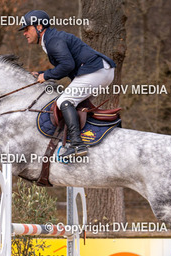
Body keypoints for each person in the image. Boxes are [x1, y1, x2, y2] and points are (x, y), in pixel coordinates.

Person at [19, 10, 116, 159]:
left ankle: (77, 145)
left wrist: (46, 75)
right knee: (74, 103)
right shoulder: (51, 39)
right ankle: (87, 136)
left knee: (64, 101)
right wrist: (41, 73)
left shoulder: (52, 40)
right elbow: (66, 66)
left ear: (39, 27)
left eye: (27, 29)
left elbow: (67, 65)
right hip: (100, 70)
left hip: (96, 71)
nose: (24, 33)